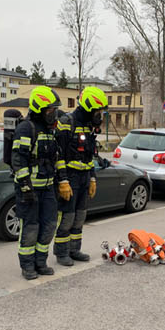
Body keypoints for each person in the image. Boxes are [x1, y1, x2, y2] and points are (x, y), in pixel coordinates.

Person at [12, 86, 62, 280]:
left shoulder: (50, 130)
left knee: (49, 225)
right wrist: (26, 187)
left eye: (54, 110)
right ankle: (27, 266)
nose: (53, 113)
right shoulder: (26, 128)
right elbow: (18, 160)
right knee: (31, 228)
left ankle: (41, 262)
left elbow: (55, 157)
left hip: (47, 187)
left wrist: (62, 180)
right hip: (29, 189)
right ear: (39, 109)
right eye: (50, 110)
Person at [54, 86, 107, 266]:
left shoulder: (89, 126)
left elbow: (89, 155)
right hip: (70, 177)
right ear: (87, 108)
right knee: (67, 217)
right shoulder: (67, 122)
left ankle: (74, 250)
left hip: (84, 178)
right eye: (97, 111)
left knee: (80, 216)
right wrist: (63, 181)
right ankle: (61, 253)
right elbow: (58, 155)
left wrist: (92, 178)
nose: (99, 115)